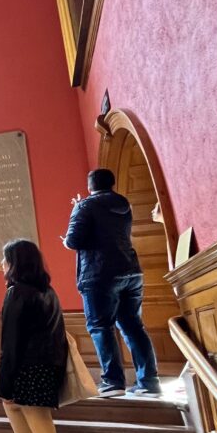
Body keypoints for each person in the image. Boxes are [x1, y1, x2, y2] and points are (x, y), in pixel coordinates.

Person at [63, 168, 162, 397]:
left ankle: (113, 382)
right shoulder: (124, 204)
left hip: (99, 273)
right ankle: (149, 382)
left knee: (100, 326)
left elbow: (73, 240)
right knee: (133, 326)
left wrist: (76, 210)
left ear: (90, 186)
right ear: (112, 183)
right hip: (130, 270)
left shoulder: (85, 206)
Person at [0, 239, 71, 433]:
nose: (1, 266)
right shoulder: (47, 291)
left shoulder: (16, 293)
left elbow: (10, 344)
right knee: (17, 411)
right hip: (48, 367)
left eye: (4, 260)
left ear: (15, 263)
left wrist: (4, 383)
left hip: (29, 368)